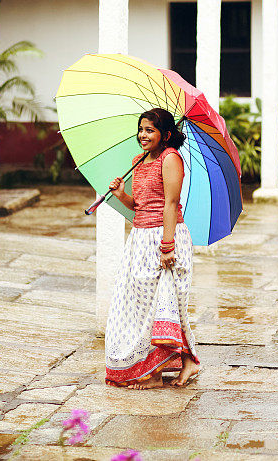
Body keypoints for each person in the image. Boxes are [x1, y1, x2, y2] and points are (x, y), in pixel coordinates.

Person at [104, 107, 200, 389]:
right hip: (140, 239)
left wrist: (168, 245)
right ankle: (160, 367)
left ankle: (181, 364)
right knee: (143, 307)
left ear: (165, 135)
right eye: (141, 129)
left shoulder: (171, 159)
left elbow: (170, 204)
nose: (143, 135)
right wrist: (121, 194)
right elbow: (139, 205)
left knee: (169, 303)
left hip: (165, 238)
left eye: (150, 130)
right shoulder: (138, 160)